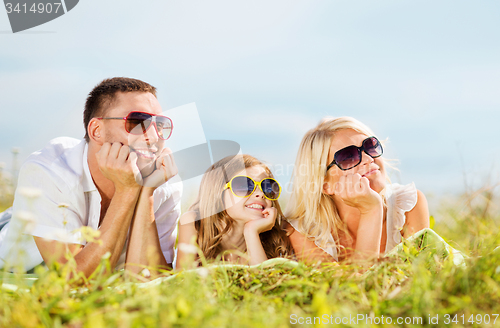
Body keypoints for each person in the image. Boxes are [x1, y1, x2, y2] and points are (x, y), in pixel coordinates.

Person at [0, 77, 182, 277]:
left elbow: (153, 280)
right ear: (97, 130)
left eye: (161, 125)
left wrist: (145, 192)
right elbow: (73, 280)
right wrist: (127, 191)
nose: (154, 137)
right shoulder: (48, 170)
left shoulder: (163, 182)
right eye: (137, 122)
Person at [285, 117, 429, 263]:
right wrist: (371, 210)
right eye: (348, 157)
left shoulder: (408, 206)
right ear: (325, 185)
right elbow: (355, 285)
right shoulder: (302, 232)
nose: (368, 158)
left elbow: (418, 277)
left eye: (370, 146)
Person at [176, 154, 292, 269]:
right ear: (217, 191)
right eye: (245, 185)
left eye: (267, 188)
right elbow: (183, 283)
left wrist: (251, 232)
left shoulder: (276, 236)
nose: (260, 194)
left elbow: (263, 284)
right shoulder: (194, 223)